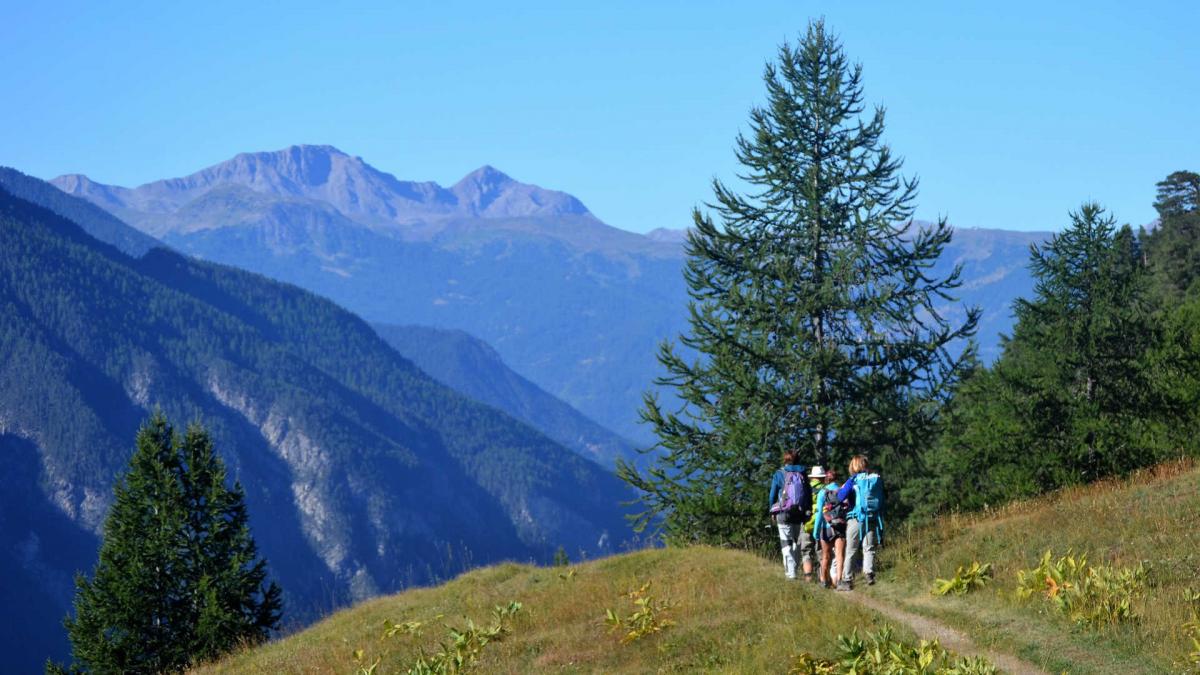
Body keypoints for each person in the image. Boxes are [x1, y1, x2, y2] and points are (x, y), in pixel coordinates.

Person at [836, 455, 883, 591]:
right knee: (868, 547)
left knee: (851, 549)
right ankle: (869, 573)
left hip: (856, 518)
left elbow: (840, 496)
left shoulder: (853, 480)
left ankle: (847, 580)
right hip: (872, 517)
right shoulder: (875, 478)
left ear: (854, 466)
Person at [767, 450, 812, 580]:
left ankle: (791, 574)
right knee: (795, 542)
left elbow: (772, 495)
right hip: (799, 512)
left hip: (783, 512)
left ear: (785, 460)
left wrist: (772, 510)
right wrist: (807, 510)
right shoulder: (802, 473)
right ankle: (795, 570)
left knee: (786, 542)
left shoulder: (780, 473)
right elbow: (808, 494)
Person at [813, 467, 846, 589]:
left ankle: (823, 581)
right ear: (836, 478)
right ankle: (839, 581)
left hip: (826, 528)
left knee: (825, 556)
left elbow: (819, 515)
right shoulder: (842, 491)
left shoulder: (822, 492)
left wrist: (816, 532)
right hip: (840, 526)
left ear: (826, 479)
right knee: (839, 555)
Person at [800, 466, 827, 582]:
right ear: (822, 478)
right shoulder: (826, 489)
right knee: (821, 552)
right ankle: (823, 578)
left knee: (806, 551)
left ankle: (808, 577)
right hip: (821, 523)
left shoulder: (805, 488)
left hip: (806, 522)